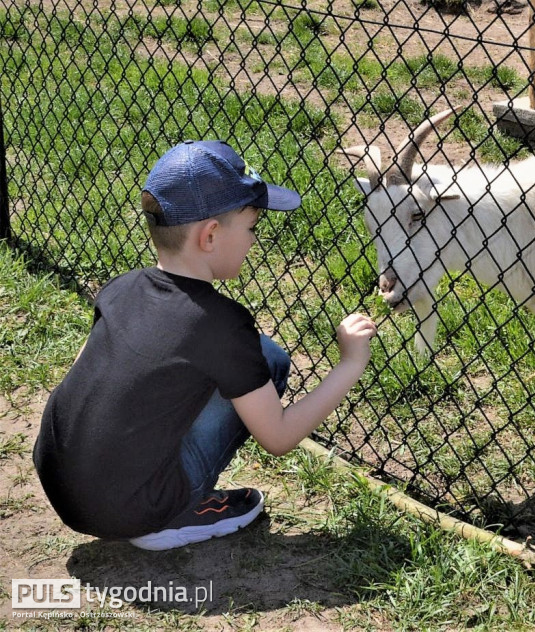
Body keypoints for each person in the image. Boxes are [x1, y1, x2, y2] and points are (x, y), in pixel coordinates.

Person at [33, 140, 377, 551]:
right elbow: (279, 438)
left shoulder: (122, 287)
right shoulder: (223, 325)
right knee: (268, 362)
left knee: (239, 359)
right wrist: (349, 364)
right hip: (130, 509)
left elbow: (78, 377)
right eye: (251, 228)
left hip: (58, 479)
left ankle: (138, 490)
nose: (254, 240)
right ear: (210, 235)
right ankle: (171, 517)